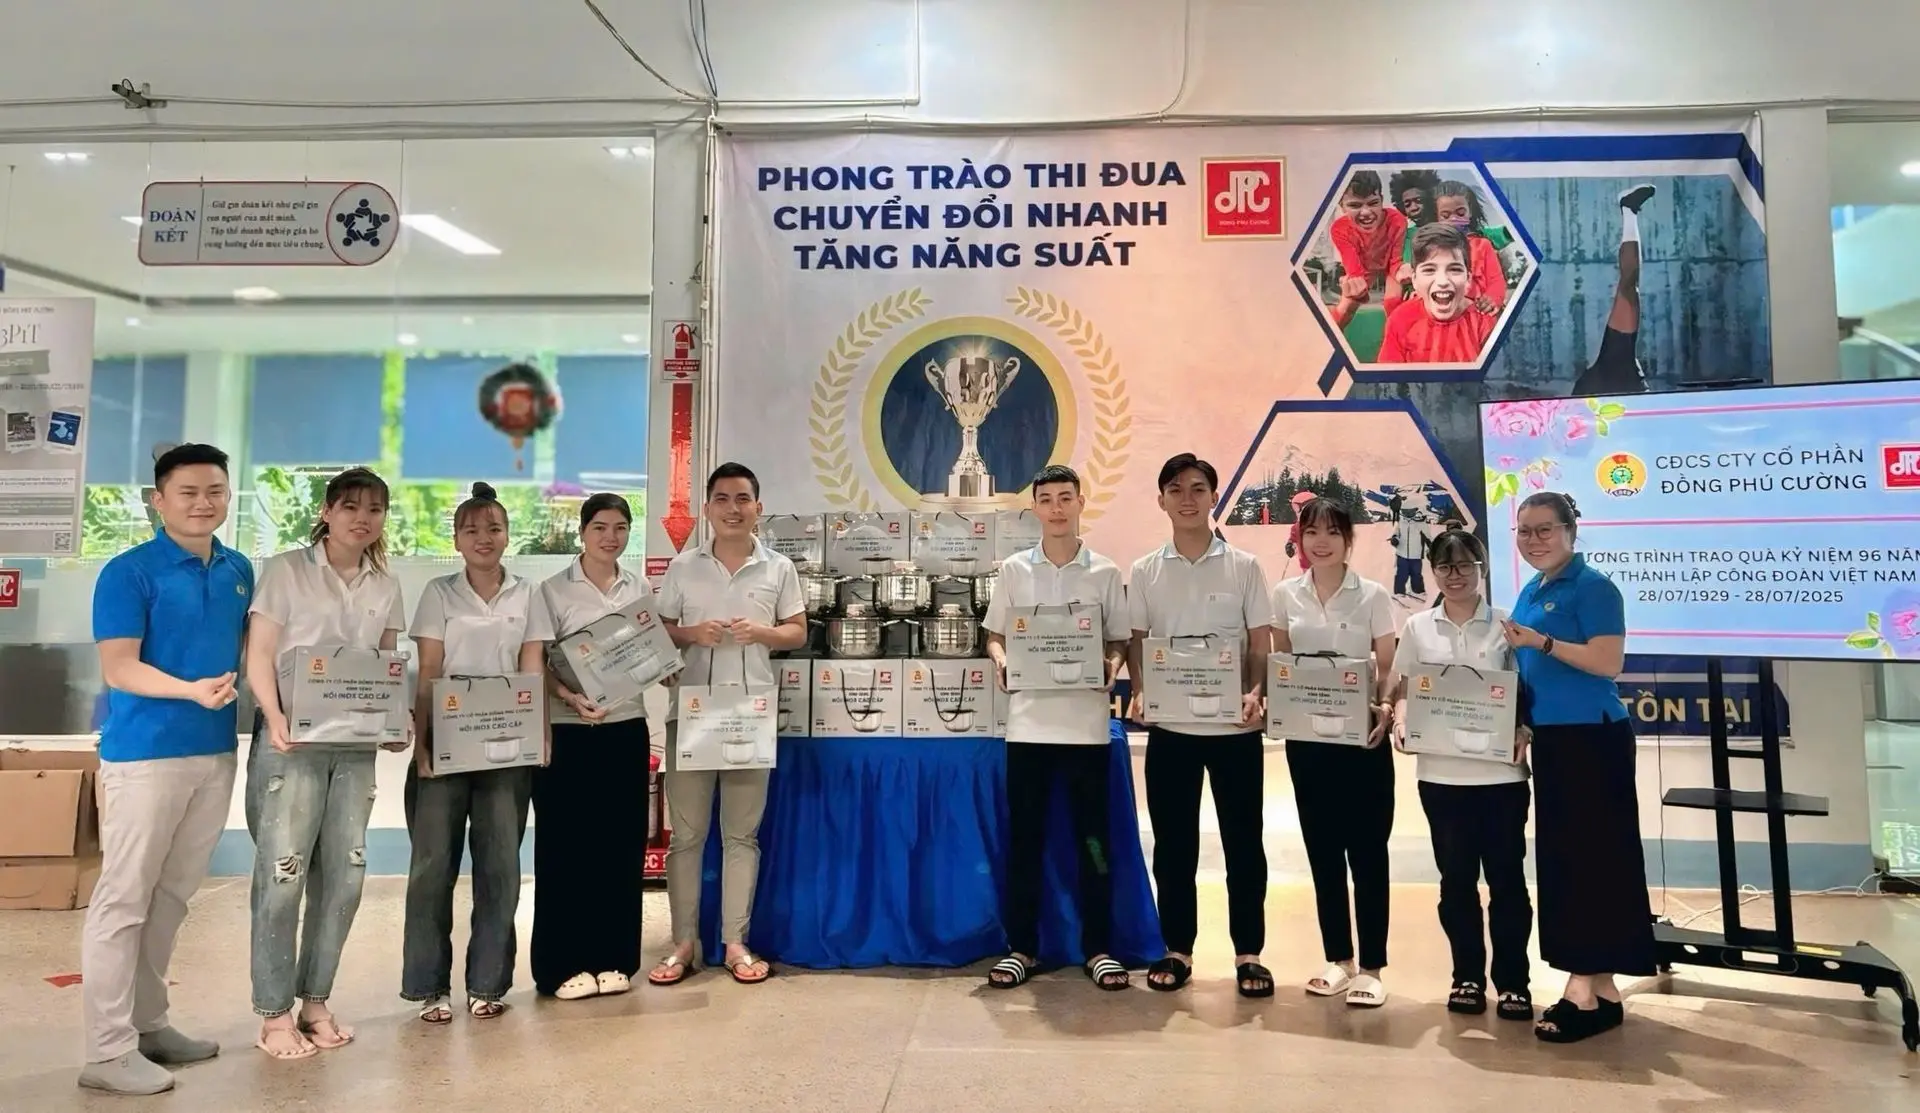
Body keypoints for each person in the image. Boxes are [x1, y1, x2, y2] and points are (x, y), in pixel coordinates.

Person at [81, 444, 253, 1096]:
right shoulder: (129, 572)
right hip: (145, 756)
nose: (203, 502)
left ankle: (149, 1025)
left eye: (215, 490)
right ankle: (106, 1050)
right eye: (188, 491)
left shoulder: (238, 569)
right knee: (124, 899)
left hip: (214, 752)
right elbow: (119, 667)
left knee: (173, 895)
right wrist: (190, 691)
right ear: (159, 500)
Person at [242, 467, 408, 1059]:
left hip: (354, 748)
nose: (363, 518)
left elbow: (386, 665)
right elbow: (259, 654)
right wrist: (273, 716)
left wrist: (397, 722)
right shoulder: (287, 571)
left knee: (345, 876)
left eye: (375, 509)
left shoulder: (385, 585)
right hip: (291, 742)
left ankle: (315, 1001)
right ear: (327, 511)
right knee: (283, 875)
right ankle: (273, 1015)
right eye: (351, 506)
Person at [1503, 491, 1652, 1042]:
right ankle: (1601, 987)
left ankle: (1581, 989)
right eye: (1524, 531)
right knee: (1570, 863)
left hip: (1594, 740)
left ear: (1570, 530)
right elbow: (1525, 669)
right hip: (1554, 742)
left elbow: (1608, 661)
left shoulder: (1594, 587)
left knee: (1593, 862)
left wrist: (1543, 641)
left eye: (1545, 529)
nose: (1534, 540)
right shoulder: (1533, 589)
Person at [650, 462, 807, 987]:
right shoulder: (683, 566)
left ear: (758, 508)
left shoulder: (778, 568)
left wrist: (761, 632)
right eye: (722, 499)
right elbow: (660, 630)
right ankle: (683, 944)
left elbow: (797, 632)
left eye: (743, 499)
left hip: (748, 716)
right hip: (691, 714)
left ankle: (736, 942)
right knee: (687, 837)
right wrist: (692, 633)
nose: (733, 509)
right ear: (707, 509)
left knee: (742, 836)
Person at [403, 482, 555, 1023]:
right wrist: (422, 743)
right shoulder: (439, 593)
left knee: (500, 868)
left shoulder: (527, 594)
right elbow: (429, 671)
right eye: (471, 530)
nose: (483, 538)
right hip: (446, 742)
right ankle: (429, 987)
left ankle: (488, 983)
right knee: (431, 868)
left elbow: (533, 668)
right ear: (456, 539)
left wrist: (541, 735)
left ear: (508, 535)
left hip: (505, 747)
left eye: (493, 528)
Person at [1126, 453, 1276, 998]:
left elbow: (1259, 641)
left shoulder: (1244, 566)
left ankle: (1249, 954)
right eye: (1175, 489)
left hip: (1235, 732)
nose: (1186, 499)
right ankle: (1177, 949)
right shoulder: (1145, 571)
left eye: (1197, 489)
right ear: (1161, 500)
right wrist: (1140, 689)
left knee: (1244, 845)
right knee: (1173, 847)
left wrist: (1255, 692)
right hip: (1172, 731)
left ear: (1214, 497)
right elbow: (1138, 641)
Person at [980, 464, 1132, 991]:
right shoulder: (1014, 570)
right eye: (1046, 499)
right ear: (1035, 509)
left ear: (1080, 502)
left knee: (1094, 844)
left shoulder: (1105, 572)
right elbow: (995, 635)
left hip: (1087, 730)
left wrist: (1112, 665)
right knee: (1026, 842)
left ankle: (1100, 949)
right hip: (1028, 729)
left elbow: (1118, 640)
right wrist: (1002, 661)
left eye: (1066, 498)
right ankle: (1021, 948)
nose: (1057, 508)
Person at [1389, 528, 1534, 1021]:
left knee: (1508, 882)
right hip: (1441, 778)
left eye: (1465, 565)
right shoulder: (1418, 627)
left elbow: (1526, 691)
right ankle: (1466, 977)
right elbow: (1405, 688)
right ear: (1433, 572)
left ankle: (1513, 982)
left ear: (1482, 569)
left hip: (1501, 778)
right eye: (1445, 567)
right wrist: (1402, 719)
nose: (1455, 576)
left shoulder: (1507, 625)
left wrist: (1524, 728)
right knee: (1456, 883)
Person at [1271, 498, 1398, 1007]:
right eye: (1311, 532)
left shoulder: (1372, 595)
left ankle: (1372, 967)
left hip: (1362, 742)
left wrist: (1384, 708)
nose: (1320, 541)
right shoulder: (1286, 594)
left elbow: (1388, 665)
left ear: (1349, 539)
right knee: (1322, 851)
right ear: (1300, 540)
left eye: (1332, 532)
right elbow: (1281, 662)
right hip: (1308, 743)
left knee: (1367, 853)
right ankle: (1339, 959)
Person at [534, 493, 654, 1000]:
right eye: (601, 527)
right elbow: (535, 662)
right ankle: (561, 964)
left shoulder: (638, 586)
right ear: (582, 532)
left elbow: (646, 653)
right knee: (566, 847)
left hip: (626, 727)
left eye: (621, 527)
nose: (611, 536)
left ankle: (615, 957)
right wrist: (569, 697)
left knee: (620, 845)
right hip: (568, 730)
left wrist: (663, 668)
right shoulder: (552, 590)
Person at [1572, 184, 1658, 397]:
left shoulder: (1614, 367)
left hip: (1606, 383)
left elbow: (1629, 282)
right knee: (1629, 287)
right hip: (1616, 385)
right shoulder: (1622, 370)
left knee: (1629, 287)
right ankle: (1628, 210)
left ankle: (1628, 210)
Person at [1377, 224, 1499, 365]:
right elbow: (1389, 377)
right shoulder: (1400, 320)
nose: (1442, 281)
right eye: (1429, 270)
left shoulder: (1483, 322)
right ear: (1414, 280)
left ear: (1468, 279)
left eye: (1454, 269)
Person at [1391, 507, 1430, 599]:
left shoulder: (1421, 523)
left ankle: (1418, 591)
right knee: (1401, 574)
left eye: (1410, 511)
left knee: (1416, 574)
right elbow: (1395, 534)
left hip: (1416, 555)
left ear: (1414, 511)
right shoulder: (1400, 522)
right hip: (1402, 554)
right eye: (1405, 511)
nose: (1408, 513)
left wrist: (1430, 549)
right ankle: (1399, 592)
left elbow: (1428, 537)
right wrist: (1395, 540)